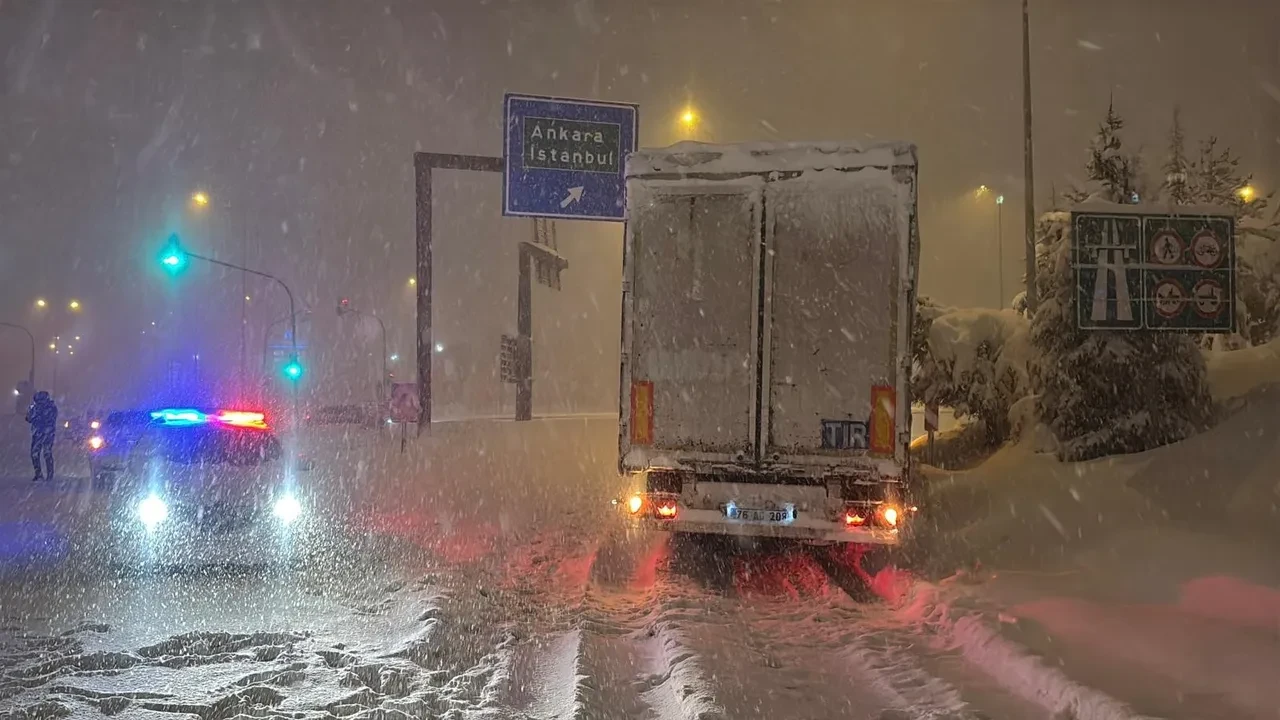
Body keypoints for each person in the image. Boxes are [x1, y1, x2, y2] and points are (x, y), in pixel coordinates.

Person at [25, 391, 57, 481]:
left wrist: (37, 418)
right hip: (38, 433)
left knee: (46, 453)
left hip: (47, 433)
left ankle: (49, 475)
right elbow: (28, 418)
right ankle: (39, 474)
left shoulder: (50, 407)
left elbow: (50, 419)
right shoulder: (35, 407)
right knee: (35, 454)